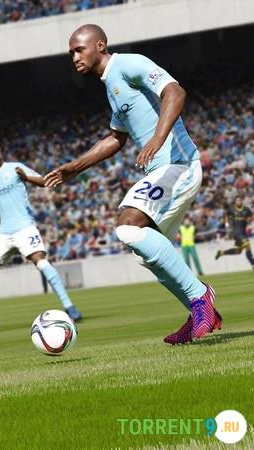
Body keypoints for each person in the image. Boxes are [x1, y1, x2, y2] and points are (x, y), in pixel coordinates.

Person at [44, 24, 222, 345]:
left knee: (128, 225)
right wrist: (73, 168)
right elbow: (116, 139)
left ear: (100, 45)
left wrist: (157, 138)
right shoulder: (111, 85)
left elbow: (175, 92)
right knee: (144, 250)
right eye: (70, 53)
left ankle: (201, 297)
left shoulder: (128, 64)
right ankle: (198, 310)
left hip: (179, 164)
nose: (74, 57)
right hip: (164, 170)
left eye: (79, 49)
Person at [0, 144, 82, 333]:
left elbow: (43, 182)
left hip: (25, 227)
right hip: (4, 231)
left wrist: (26, 177)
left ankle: (69, 306)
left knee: (40, 261)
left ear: (1, 155)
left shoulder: (15, 168)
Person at [215, 196, 253, 269]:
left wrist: (249, 219)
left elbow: (251, 216)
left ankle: (222, 252)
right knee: (247, 244)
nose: (238, 201)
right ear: (235, 202)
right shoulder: (231, 209)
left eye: (240, 200)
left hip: (243, 232)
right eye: (237, 200)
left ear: (242, 201)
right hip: (236, 232)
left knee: (237, 251)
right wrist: (226, 223)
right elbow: (226, 214)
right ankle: (253, 263)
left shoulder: (246, 209)